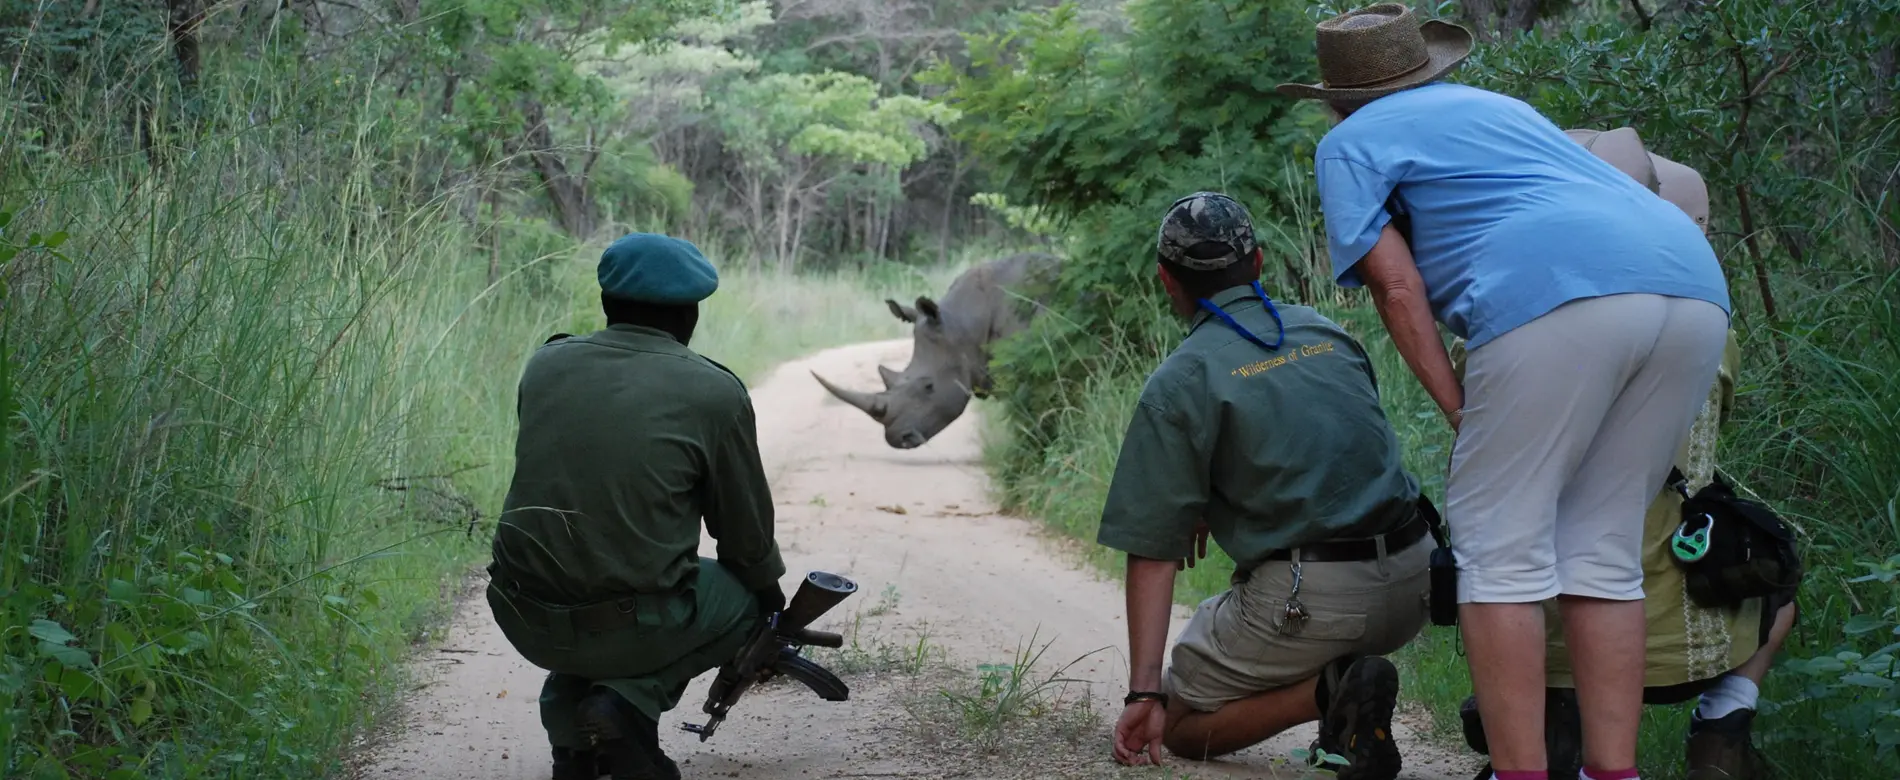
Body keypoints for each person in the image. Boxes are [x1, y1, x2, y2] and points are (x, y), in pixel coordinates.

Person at [1277, 6, 1734, 780]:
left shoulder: (1348, 142)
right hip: (1692, 287)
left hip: (1556, 297)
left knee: (1496, 552)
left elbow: (1394, 285)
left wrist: (1458, 403)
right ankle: (1608, 774)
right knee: (1603, 550)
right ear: (1428, 68)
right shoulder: (1502, 109)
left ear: (1334, 98)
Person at [1449, 128, 1798, 780]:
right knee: (1782, 572)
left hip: (1540, 633)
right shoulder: (1710, 330)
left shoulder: (1515, 318)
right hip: (1680, 637)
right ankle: (1724, 715)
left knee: (1491, 551)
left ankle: (1533, 739)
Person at [1100, 191, 1435, 780]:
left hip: (1315, 601)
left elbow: (1153, 551)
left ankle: (1331, 691)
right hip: (1418, 582)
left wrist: (1144, 695)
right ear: (1257, 263)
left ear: (1166, 281)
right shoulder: (1327, 333)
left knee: (1179, 723)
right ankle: (1347, 688)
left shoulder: (1182, 379)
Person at [486, 233, 787, 780]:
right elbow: (745, 539)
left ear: (606, 304)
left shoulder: (544, 366)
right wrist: (772, 606)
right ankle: (623, 706)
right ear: (691, 314)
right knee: (743, 604)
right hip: (627, 625)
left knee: (595, 594)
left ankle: (573, 744)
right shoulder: (712, 392)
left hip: (521, 611)